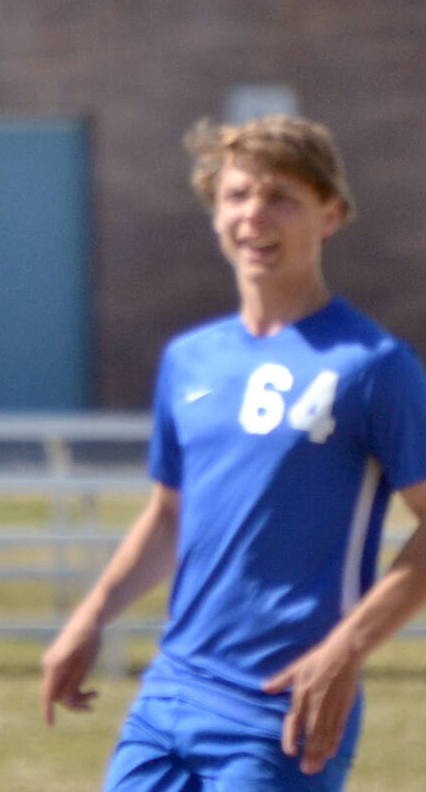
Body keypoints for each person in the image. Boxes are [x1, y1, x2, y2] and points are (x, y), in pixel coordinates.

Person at [42, 115, 426, 791]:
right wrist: (92, 613)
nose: (255, 214)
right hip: (168, 694)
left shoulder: (375, 366)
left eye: (282, 196)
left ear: (330, 214)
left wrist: (348, 648)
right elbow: (169, 516)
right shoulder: (189, 359)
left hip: (284, 709)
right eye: (237, 194)